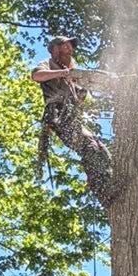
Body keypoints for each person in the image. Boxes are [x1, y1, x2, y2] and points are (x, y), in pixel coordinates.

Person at [33, 35, 114, 203]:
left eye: (71, 47)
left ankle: (108, 179)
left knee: (101, 149)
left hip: (72, 117)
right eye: (65, 46)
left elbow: (79, 98)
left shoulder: (71, 75)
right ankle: (103, 190)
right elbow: (37, 76)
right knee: (90, 147)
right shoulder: (48, 64)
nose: (70, 49)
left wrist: (81, 89)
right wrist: (64, 73)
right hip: (57, 115)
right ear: (55, 49)